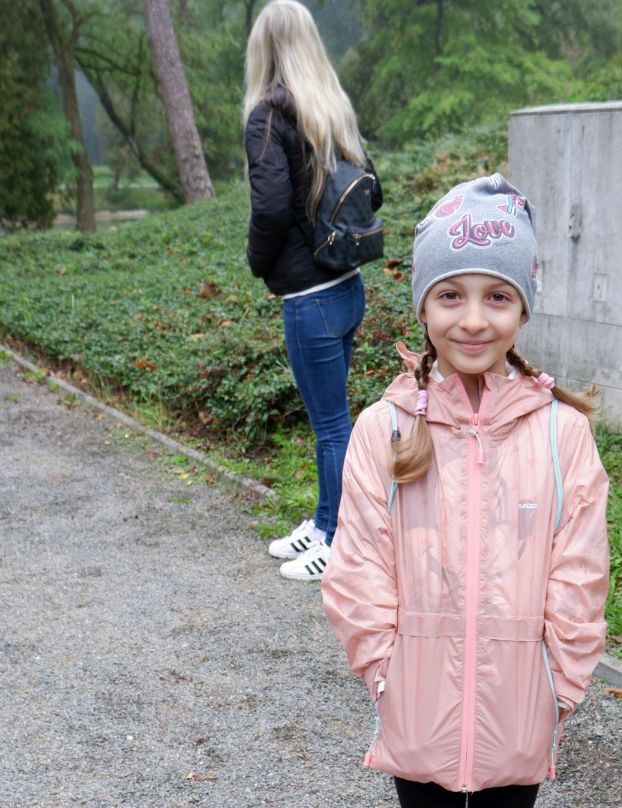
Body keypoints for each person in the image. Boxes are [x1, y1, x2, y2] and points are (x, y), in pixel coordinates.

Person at [322, 176, 610, 808]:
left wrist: (561, 681)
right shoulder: (386, 429)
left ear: (523, 307)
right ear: (422, 304)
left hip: (523, 700)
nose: (473, 318)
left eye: (496, 296)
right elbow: (358, 563)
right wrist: (382, 670)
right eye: (450, 294)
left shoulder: (562, 435)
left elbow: (580, 568)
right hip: (415, 698)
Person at [243, 0, 382, 581]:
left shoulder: (268, 116)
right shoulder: (331, 107)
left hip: (310, 298)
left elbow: (271, 209)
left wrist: (257, 262)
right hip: (347, 286)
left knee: (330, 426)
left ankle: (339, 540)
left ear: (263, 48)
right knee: (333, 421)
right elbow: (375, 190)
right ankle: (325, 520)